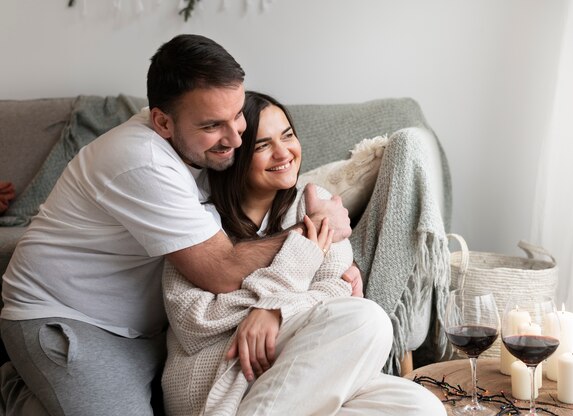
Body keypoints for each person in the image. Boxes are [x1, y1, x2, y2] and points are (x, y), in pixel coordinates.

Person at [0, 35, 356, 416]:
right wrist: (314, 231)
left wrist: (335, 269)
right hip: (69, 319)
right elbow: (222, 270)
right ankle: (20, 391)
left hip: (149, 331)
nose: (236, 138)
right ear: (162, 122)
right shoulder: (145, 162)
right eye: (213, 125)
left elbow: (269, 194)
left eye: (237, 115)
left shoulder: (202, 144)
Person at [161, 91, 445, 415]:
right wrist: (296, 268)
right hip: (224, 375)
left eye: (288, 136)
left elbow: (339, 289)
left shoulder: (312, 204)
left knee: (419, 407)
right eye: (263, 145)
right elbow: (195, 320)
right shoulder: (198, 223)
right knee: (368, 321)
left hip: (304, 371)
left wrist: (273, 310)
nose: (283, 152)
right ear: (235, 156)